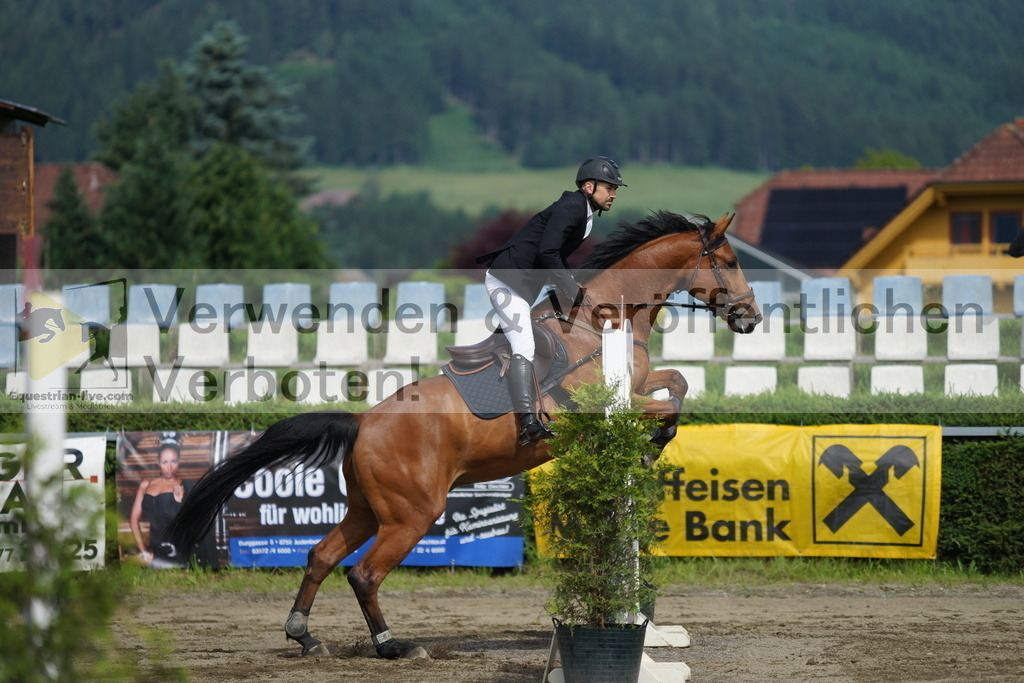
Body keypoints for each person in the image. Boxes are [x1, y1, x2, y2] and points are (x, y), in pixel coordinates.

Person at [475, 156, 627, 446]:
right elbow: (548, 252)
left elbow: (553, 257)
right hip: (507, 282)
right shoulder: (572, 207)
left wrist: (574, 289)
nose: (614, 194)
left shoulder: (583, 211)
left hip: (523, 284)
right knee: (524, 345)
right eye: (609, 187)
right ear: (588, 186)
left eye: (615, 188)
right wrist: (572, 291)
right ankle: (528, 424)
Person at [129, 434, 189, 568]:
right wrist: (143, 551)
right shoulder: (146, 485)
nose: (169, 467)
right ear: (158, 462)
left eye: (173, 461)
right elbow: (133, 520)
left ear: (179, 462)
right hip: (155, 550)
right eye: (164, 462)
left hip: (178, 549)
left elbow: (188, 522)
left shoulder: (184, 485)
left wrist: (179, 502)